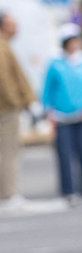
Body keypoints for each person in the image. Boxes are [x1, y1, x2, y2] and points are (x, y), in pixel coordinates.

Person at [41, 23, 82, 205]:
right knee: (65, 155)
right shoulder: (55, 62)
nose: (75, 43)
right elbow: (47, 89)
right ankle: (68, 191)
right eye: (71, 40)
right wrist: (48, 109)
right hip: (62, 116)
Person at [0, 11, 36, 209]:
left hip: (6, 107)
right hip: (6, 109)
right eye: (12, 23)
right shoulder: (2, 47)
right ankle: (8, 194)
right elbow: (4, 80)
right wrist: (18, 102)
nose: (16, 27)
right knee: (9, 151)